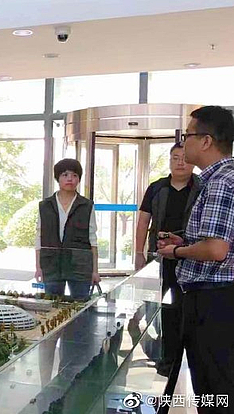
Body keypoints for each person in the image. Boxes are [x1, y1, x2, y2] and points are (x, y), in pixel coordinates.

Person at [158, 106, 234, 411]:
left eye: (187, 135)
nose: (183, 143)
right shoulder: (219, 178)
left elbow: (216, 250)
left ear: (206, 141)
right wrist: (187, 242)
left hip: (213, 302)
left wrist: (176, 252)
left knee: (215, 386)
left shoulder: (220, 182)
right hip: (216, 299)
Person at [135, 143, 200, 376]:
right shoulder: (157, 187)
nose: (180, 162)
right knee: (165, 308)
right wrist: (139, 253)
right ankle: (168, 358)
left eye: (184, 158)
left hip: (193, 257)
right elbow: (143, 221)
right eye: (175, 158)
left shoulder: (201, 187)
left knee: (189, 308)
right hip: (161, 258)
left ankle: (190, 358)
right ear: (169, 161)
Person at [35, 158, 99, 300]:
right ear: (57, 178)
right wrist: (38, 267)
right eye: (65, 175)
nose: (70, 179)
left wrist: (95, 270)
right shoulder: (45, 205)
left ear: (79, 179)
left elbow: (92, 239)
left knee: (81, 304)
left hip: (80, 265)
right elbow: (39, 237)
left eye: (74, 175)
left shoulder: (87, 205)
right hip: (51, 264)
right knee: (52, 305)